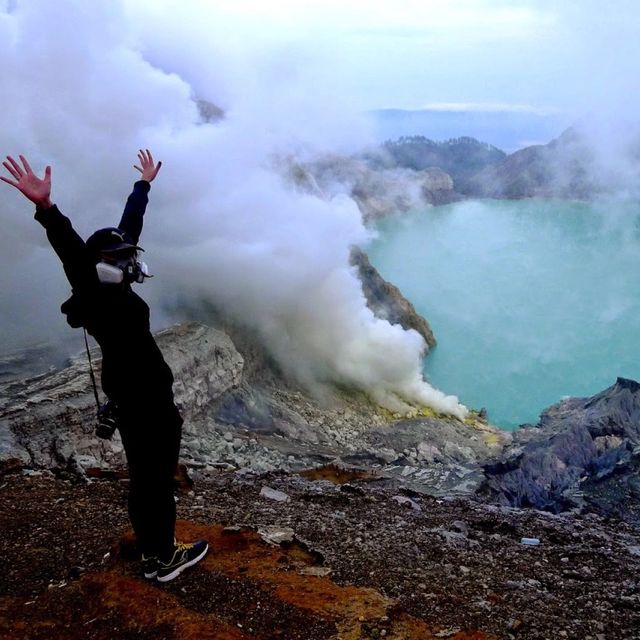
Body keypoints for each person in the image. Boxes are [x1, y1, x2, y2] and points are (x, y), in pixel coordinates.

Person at [1, 151, 208, 583]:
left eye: (128, 255)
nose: (129, 261)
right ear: (100, 264)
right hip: (144, 400)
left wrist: (144, 185)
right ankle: (164, 558)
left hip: (132, 395)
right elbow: (71, 247)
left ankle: (155, 550)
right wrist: (45, 207)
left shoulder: (115, 281)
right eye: (120, 257)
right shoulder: (94, 291)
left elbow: (129, 225)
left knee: (145, 477)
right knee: (154, 480)